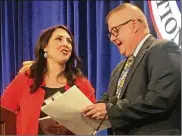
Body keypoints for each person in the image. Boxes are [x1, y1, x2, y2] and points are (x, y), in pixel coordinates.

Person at [82, 3, 181, 135]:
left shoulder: (162, 48)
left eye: (115, 31)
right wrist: (82, 114)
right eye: (110, 34)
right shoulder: (119, 69)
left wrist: (110, 111)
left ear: (134, 25)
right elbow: (107, 102)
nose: (112, 38)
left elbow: (161, 98)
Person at [0, 25, 96, 135]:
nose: (66, 44)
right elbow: (4, 115)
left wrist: (70, 129)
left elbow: (92, 125)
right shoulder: (25, 79)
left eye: (69, 41)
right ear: (45, 46)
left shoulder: (82, 83)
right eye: (59, 39)